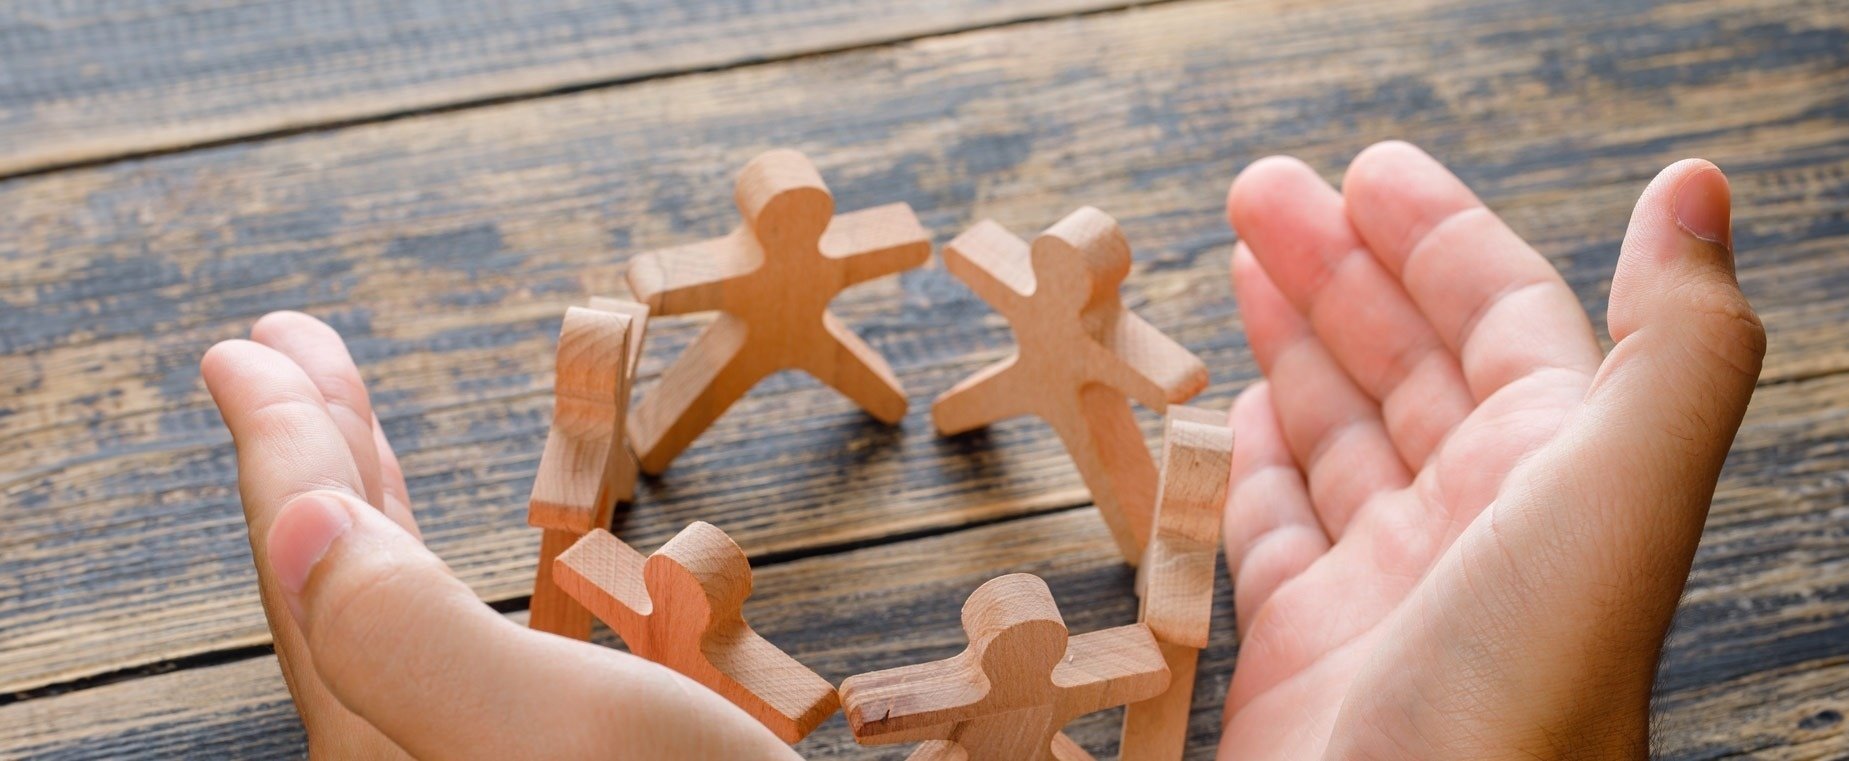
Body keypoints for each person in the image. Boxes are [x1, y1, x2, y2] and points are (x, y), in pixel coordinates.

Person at [200, 142, 1763, 759]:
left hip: (1037, 391)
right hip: (937, 372)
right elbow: (889, 696)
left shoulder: (1036, 663)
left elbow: (909, 694)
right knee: (953, 401)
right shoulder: (995, 659)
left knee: (1099, 450)